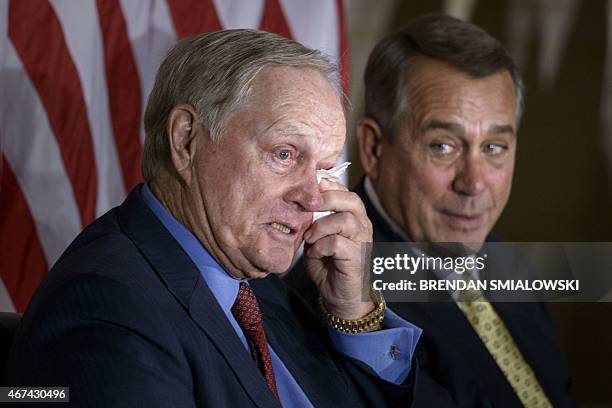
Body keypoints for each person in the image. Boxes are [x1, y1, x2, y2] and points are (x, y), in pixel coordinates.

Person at [4, 30, 422, 407]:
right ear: (186, 139)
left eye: (325, 170)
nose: (313, 197)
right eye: (284, 155)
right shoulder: (107, 307)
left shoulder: (261, 292)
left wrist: (355, 313)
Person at [353, 13, 575, 407]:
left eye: (494, 148)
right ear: (373, 149)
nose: (473, 183)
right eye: (443, 146)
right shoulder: (343, 294)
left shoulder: (509, 264)